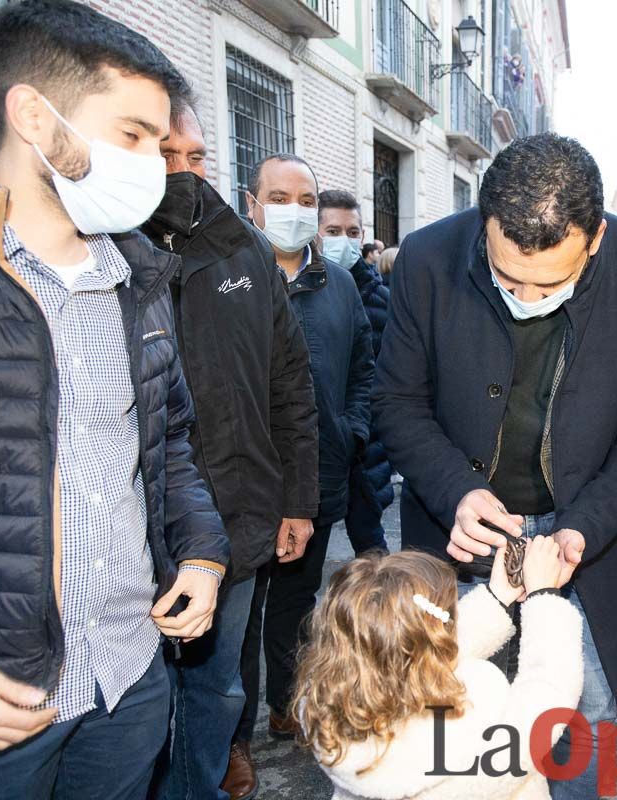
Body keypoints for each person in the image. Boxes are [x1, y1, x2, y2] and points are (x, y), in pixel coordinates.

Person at [0, 2, 230, 797]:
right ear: (35, 115)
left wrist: (202, 553)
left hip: (128, 683)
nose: (154, 166)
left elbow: (166, 444)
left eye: (160, 145)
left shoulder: (140, 280)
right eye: (132, 135)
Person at [372, 133, 617, 799]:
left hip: (589, 533)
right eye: (506, 276)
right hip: (456, 535)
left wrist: (584, 525)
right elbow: (397, 403)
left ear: (596, 239)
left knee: (584, 711)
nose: (524, 295)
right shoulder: (426, 258)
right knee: (442, 705)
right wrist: (456, 491)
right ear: (484, 221)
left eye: (550, 283)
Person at [140, 103, 320, 800]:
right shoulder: (97, 244)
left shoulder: (243, 249)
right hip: (129, 531)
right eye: (165, 154)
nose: (183, 172)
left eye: (195, 156)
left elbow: (289, 385)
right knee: (136, 701)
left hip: (237, 519)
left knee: (216, 687)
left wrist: (297, 500)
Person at [226, 155, 374, 798]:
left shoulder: (339, 285)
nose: (295, 209)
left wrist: (351, 428)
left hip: (317, 479)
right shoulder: (227, 274)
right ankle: (234, 737)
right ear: (252, 203)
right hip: (241, 482)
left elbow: (364, 369)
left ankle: (287, 705)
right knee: (236, 617)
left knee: (295, 602)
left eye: (306, 199)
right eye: (280, 196)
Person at [295, 542, 582, 800]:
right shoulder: (469, 727)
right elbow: (547, 693)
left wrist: (497, 597)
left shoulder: (328, 703)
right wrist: (544, 597)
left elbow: (419, 649)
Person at [318, 189, 393, 556]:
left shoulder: (381, 298)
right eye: (333, 231)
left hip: (367, 446)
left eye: (352, 232)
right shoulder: (298, 291)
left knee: (373, 550)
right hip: (318, 447)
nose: (344, 241)